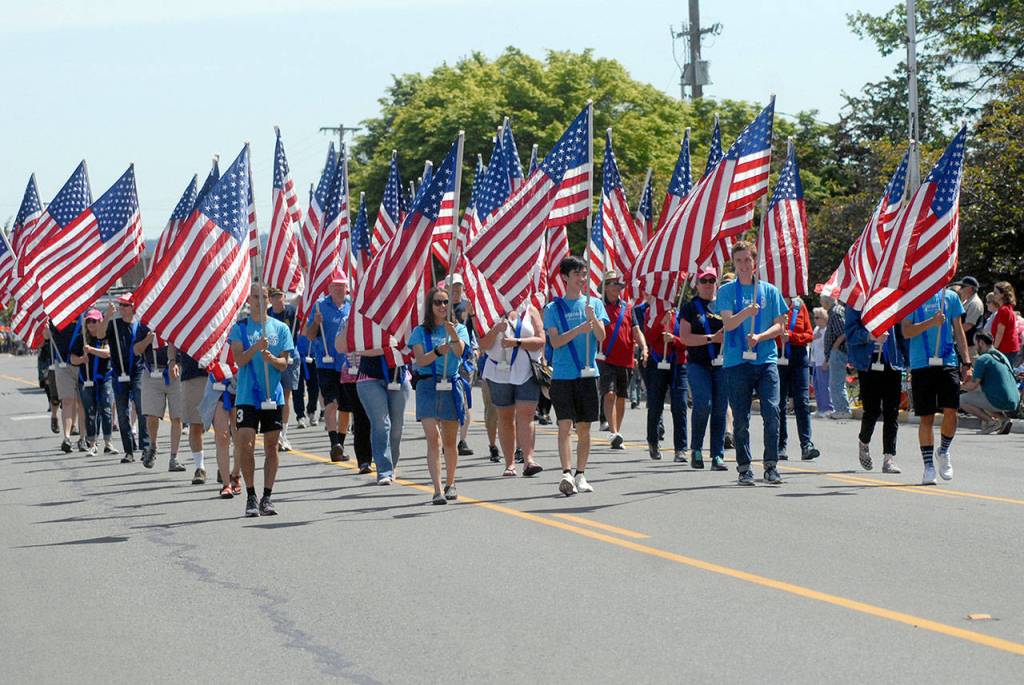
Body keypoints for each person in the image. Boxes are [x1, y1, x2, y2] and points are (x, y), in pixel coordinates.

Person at [716, 241, 788, 486]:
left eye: (748, 260)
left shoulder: (769, 291)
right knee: (741, 417)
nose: (744, 265)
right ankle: (745, 468)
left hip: (766, 359)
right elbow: (728, 324)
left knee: (772, 410)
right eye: (739, 261)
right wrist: (746, 312)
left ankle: (771, 466)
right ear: (733, 264)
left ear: (755, 262)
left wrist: (760, 337)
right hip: (737, 362)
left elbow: (780, 325)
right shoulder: (726, 292)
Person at [543, 256, 609, 496]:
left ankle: (581, 474)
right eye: (577, 274)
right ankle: (566, 473)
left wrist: (592, 317)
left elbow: (601, 336)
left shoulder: (594, 303)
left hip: (588, 374)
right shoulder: (553, 308)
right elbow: (556, 341)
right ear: (565, 277)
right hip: (562, 374)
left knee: (584, 428)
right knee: (564, 425)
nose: (582, 279)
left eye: (584, 274)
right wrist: (579, 329)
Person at [228, 284, 294, 517]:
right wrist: (256, 347)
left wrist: (273, 359)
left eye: (263, 296)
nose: (259, 300)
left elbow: (285, 362)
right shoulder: (241, 328)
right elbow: (239, 360)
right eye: (255, 296)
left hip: (272, 396)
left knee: (271, 447)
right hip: (247, 395)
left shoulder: (280, 328)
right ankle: (250, 495)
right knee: (245, 445)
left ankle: (267, 496)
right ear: (249, 299)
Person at [901, 287, 970, 485]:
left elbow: (958, 330)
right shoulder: (912, 297)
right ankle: (928, 466)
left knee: (951, 410)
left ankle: (944, 450)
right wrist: (931, 322)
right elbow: (906, 331)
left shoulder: (950, 296)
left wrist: (967, 362)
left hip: (947, 360)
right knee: (927, 417)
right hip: (922, 363)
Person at [410, 285, 470, 504]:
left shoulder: (459, 328)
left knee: (449, 440)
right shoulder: (420, 331)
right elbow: (420, 360)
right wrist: (436, 351)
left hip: (450, 384)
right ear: (430, 306)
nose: (442, 306)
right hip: (427, 385)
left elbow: (460, 351)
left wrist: (452, 333)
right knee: (433, 438)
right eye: (437, 302)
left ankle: (450, 482)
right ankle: (436, 489)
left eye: (445, 302)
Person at [478, 303, 546, 478]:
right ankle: (510, 464)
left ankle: (529, 459)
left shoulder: (530, 310)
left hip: (526, 370)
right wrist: (495, 330)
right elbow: (483, 344)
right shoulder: (490, 308)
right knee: (505, 416)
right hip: (499, 372)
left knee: (526, 414)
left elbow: (540, 341)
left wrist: (517, 342)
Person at [845, 303, 908, 473]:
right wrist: (871, 336)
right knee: (872, 411)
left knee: (891, 411)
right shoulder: (858, 302)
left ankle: (889, 457)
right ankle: (864, 442)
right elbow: (851, 334)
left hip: (892, 363)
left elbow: (902, 335)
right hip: (869, 363)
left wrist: (908, 362)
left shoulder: (894, 301)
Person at [677, 268, 726, 469]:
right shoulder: (690, 308)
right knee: (703, 404)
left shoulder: (724, 304)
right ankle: (696, 449)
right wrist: (711, 339)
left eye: (711, 280)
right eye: (703, 280)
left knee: (720, 409)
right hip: (699, 364)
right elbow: (685, 338)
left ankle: (717, 455)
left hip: (723, 364)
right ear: (696, 284)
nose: (707, 283)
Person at [303, 273, 352, 462]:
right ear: (330, 288)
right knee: (332, 403)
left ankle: (340, 445)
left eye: (342, 286)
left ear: (346, 288)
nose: (339, 289)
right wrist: (316, 322)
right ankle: (334, 444)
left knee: (346, 408)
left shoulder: (351, 306)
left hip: (348, 364)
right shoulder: (320, 306)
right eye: (335, 286)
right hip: (326, 363)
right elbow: (309, 335)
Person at [596, 270, 646, 450]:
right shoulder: (598, 306)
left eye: (619, 284)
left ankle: (618, 429)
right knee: (609, 393)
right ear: (606, 287)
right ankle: (614, 432)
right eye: (614, 284)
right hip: (605, 358)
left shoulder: (628, 308)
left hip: (626, 359)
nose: (618, 287)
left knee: (621, 397)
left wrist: (644, 347)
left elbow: (636, 330)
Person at [352, 339, 411, 486]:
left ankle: (392, 465)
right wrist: (386, 348)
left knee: (396, 427)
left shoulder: (402, 318)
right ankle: (384, 471)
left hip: (399, 375)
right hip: (369, 377)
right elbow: (351, 345)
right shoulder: (363, 318)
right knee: (381, 423)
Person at [102, 296, 149, 464]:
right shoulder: (114, 324)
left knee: (142, 409)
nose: (121, 307)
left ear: (132, 307)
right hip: (118, 372)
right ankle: (128, 450)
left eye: (124, 305)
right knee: (122, 413)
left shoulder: (140, 326)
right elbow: (100, 334)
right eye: (120, 304)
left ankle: (146, 447)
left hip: (137, 371)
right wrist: (107, 315)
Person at [134, 321, 184, 471]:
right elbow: (136, 350)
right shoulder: (145, 324)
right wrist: (148, 340)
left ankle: (174, 457)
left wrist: (175, 361)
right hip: (152, 372)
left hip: (175, 372)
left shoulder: (177, 319)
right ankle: (153, 445)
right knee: (152, 415)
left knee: (177, 416)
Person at [775, 295, 819, 460]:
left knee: (802, 401)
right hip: (778, 356)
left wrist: (792, 336)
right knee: (779, 403)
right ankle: (780, 446)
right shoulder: (773, 302)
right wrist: (779, 334)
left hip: (798, 356)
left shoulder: (799, 305)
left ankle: (806, 445)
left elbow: (809, 334)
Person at [70, 309, 115, 456]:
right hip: (86, 380)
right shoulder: (80, 338)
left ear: (100, 321)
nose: (91, 324)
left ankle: (108, 443)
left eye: (94, 321)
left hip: (104, 377)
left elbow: (107, 353)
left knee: (106, 409)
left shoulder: (105, 336)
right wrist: (82, 359)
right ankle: (92, 443)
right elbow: (72, 359)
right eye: (88, 321)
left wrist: (91, 350)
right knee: (90, 412)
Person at [960, 332, 1019, 434]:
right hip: (1014, 400)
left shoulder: (983, 359)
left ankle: (990, 422)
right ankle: (1004, 420)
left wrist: (959, 385)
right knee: (982, 396)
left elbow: (973, 386)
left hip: (999, 400)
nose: (975, 347)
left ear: (981, 343)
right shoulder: (1001, 356)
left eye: (975, 344)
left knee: (961, 400)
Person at [335, 322, 372, 475]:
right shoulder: (346, 319)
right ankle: (364, 460)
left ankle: (385, 458)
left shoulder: (377, 314)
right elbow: (339, 346)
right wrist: (350, 324)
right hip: (352, 374)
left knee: (378, 418)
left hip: (375, 371)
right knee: (361, 416)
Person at [267, 287, 300, 451]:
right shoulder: (267, 314)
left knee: (286, 395)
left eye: (280, 296)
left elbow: (297, 333)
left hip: (290, 356)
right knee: (273, 395)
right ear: (270, 299)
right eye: (274, 297)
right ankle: (275, 433)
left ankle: (283, 434)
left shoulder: (292, 312)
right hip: (272, 358)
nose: (278, 300)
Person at [449, 274, 477, 457]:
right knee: (448, 399)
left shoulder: (468, 306)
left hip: (465, 358)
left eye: (459, 286)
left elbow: (476, 328)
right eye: (453, 286)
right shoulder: (441, 306)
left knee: (464, 398)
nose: (456, 289)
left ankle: (462, 439)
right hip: (448, 356)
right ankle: (448, 438)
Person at [50, 317, 88, 453]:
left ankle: (83, 438)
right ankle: (66, 438)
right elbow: (46, 334)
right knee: (67, 400)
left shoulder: (86, 315)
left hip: (83, 362)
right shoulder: (58, 314)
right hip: (63, 363)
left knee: (82, 402)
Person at [178, 352, 209, 484]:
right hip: (191, 373)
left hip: (220, 373)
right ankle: (199, 467)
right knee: (195, 425)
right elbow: (173, 340)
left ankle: (224, 469)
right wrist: (172, 361)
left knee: (222, 428)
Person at [821, 294, 851, 419]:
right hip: (836, 352)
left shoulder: (835, 312)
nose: (821, 304)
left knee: (835, 383)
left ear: (826, 302)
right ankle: (841, 408)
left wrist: (834, 347)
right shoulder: (835, 311)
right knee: (836, 382)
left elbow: (843, 332)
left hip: (838, 352)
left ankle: (842, 409)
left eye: (822, 302)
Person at [292, 334, 321, 428]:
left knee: (315, 387)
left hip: (312, 356)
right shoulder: (294, 320)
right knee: (297, 389)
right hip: (296, 358)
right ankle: (300, 416)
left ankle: (311, 410)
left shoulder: (311, 320)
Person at [990, 281, 1021, 366]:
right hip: (1008, 348)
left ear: (1002, 295)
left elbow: (1000, 332)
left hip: (1005, 348)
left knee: (1004, 374)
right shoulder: (1006, 308)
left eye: (996, 293)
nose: (993, 294)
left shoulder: (1004, 310)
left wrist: (994, 349)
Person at [810, 306, 833, 417]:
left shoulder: (827, 331)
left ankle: (828, 408)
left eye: (817, 317)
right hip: (815, 361)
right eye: (814, 317)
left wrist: (826, 361)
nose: (815, 319)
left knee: (825, 386)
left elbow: (829, 347)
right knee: (817, 386)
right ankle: (820, 408)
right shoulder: (816, 329)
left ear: (824, 318)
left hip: (823, 361)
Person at [37, 327, 60, 435]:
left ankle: (72, 426)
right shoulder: (46, 344)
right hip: (50, 367)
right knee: (53, 396)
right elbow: (42, 360)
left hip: (65, 363)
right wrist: (44, 376)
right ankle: (54, 417)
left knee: (68, 399)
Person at [955, 276, 984, 359]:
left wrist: (952, 334)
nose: (960, 289)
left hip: (971, 346)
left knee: (972, 370)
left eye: (962, 287)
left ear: (970, 289)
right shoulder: (968, 301)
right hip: (966, 344)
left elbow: (968, 325)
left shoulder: (975, 303)